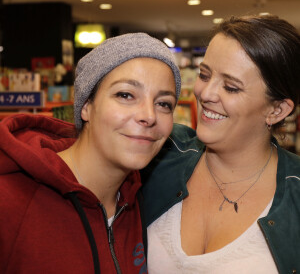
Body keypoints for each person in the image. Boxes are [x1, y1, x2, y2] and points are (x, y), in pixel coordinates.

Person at [0, 32, 181, 274]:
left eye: (164, 103)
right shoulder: (10, 200)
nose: (149, 115)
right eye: (125, 95)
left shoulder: (134, 200)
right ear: (86, 106)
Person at [141, 15, 300, 273]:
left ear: (278, 110)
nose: (205, 93)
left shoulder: (296, 194)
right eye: (205, 75)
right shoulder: (159, 152)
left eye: (231, 87)